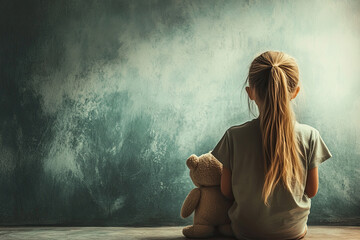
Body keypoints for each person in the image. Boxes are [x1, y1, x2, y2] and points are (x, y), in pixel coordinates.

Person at [211, 50, 332, 240]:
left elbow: (226, 191)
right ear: (295, 92)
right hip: (293, 232)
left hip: (245, 232)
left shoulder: (233, 136)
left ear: (250, 92)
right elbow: (311, 191)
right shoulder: (311, 136)